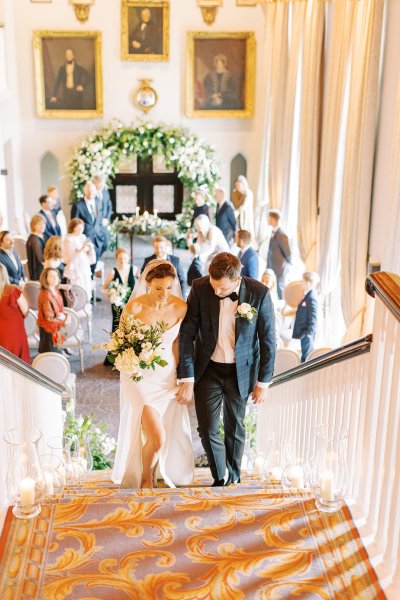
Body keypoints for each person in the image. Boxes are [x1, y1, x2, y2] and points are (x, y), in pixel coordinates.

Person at [177, 252, 275, 487]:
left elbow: (268, 340)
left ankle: (233, 476)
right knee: (208, 427)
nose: (217, 292)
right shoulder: (200, 287)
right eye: (214, 286)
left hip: (240, 371)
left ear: (237, 280)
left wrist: (263, 383)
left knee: (235, 426)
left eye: (222, 289)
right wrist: (187, 377)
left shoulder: (259, 293)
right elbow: (187, 333)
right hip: (208, 368)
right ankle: (220, 475)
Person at [112, 259, 194, 489]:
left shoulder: (181, 307)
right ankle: (146, 477)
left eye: (169, 287)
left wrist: (182, 376)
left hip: (166, 376)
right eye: (159, 288)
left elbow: (178, 342)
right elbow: (121, 343)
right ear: (147, 284)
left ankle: (154, 473)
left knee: (161, 430)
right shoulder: (135, 308)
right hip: (139, 377)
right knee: (157, 437)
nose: (164, 293)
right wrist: (131, 361)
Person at [103, 248, 136, 366]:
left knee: (132, 329)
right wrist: (112, 294)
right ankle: (115, 357)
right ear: (116, 259)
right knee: (117, 328)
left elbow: (142, 286)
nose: (122, 260)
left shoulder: (135, 269)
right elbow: (104, 287)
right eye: (120, 258)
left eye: (125, 258)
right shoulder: (112, 271)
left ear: (129, 258)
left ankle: (131, 356)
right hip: (117, 305)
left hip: (132, 305)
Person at [71, 182, 107, 266]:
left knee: (95, 261)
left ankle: (92, 276)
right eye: (88, 191)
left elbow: (99, 217)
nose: (91, 193)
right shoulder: (78, 205)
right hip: (85, 239)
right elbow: (74, 223)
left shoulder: (98, 202)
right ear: (84, 191)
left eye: (92, 191)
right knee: (86, 264)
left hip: (98, 237)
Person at [0, 265, 30, 363]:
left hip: (2, 335)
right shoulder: (12, 290)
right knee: (19, 364)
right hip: (15, 333)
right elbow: (25, 310)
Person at [63, 218, 96, 301]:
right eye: (78, 228)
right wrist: (82, 248)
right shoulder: (68, 239)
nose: (81, 230)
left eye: (82, 228)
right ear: (73, 227)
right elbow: (71, 257)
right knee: (78, 287)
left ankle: (86, 303)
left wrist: (90, 248)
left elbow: (89, 256)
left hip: (83, 265)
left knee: (85, 286)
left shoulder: (82, 237)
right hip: (75, 267)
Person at [37, 267, 67, 354]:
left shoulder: (55, 290)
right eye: (51, 276)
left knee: (55, 356)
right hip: (48, 331)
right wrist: (64, 320)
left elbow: (61, 309)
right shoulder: (46, 295)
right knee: (49, 358)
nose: (55, 279)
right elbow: (49, 319)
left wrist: (65, 316)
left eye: (56, 276)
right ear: (45, 278)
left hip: (55, 329)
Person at [292, 272, 319, 362]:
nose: (301, 283)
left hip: (307, 334)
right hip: (304, 333)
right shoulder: (307, 294)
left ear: (308, 283)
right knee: (304, 356)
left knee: (306, 358)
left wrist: (309, 334)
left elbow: (314, 318)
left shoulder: (311, 297)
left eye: (302, 281)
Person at [267, 209, 292, 300]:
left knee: (279, 289)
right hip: (273, 266)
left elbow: (288, 253)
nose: (268, 220)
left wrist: (287, 266)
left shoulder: (282, 234)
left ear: (273, 219)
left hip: (279, 268)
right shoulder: (274, 232)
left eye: (269, 218)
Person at [26, 214, 46, 281]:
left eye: (43, 224)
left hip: (41, 269)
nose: (42, 226)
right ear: (33, 226)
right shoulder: (34, 239)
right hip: (38, 271)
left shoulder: (41, 236)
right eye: (39, 224)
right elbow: (41, 259)